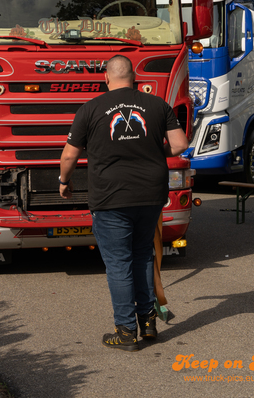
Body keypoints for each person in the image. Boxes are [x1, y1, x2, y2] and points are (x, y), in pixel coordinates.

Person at [58, 55, 188, 351]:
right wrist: (152, 151)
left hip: (110, 196)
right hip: (151, 194)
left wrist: (64, 182)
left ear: (106, 78)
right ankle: (148, 322)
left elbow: (69, 155)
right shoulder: (157, 105)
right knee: (143, 255)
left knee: (118, 264)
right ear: (134, 77)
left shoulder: (90, 109)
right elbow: (180, 144)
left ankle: (126, 331)